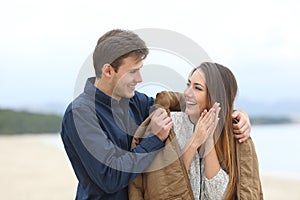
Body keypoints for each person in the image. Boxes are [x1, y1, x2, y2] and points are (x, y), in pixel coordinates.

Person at [61, 29, 252, 199]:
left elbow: (182, 102)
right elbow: (110, 177)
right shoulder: (80, 114)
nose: (139, 79)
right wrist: (155, 139)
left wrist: (230, 112)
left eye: (140, 70)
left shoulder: (135, 102)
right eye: (133, 72)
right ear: (109, 71)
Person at [129, 62, 263, 200]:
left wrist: (209, 140)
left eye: (197, 88)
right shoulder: (167, 126)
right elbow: (163, 190)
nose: (187, 93)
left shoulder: (234, 134)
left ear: (215, 96)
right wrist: (194, 142)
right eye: (188, 84)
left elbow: (217, 195)